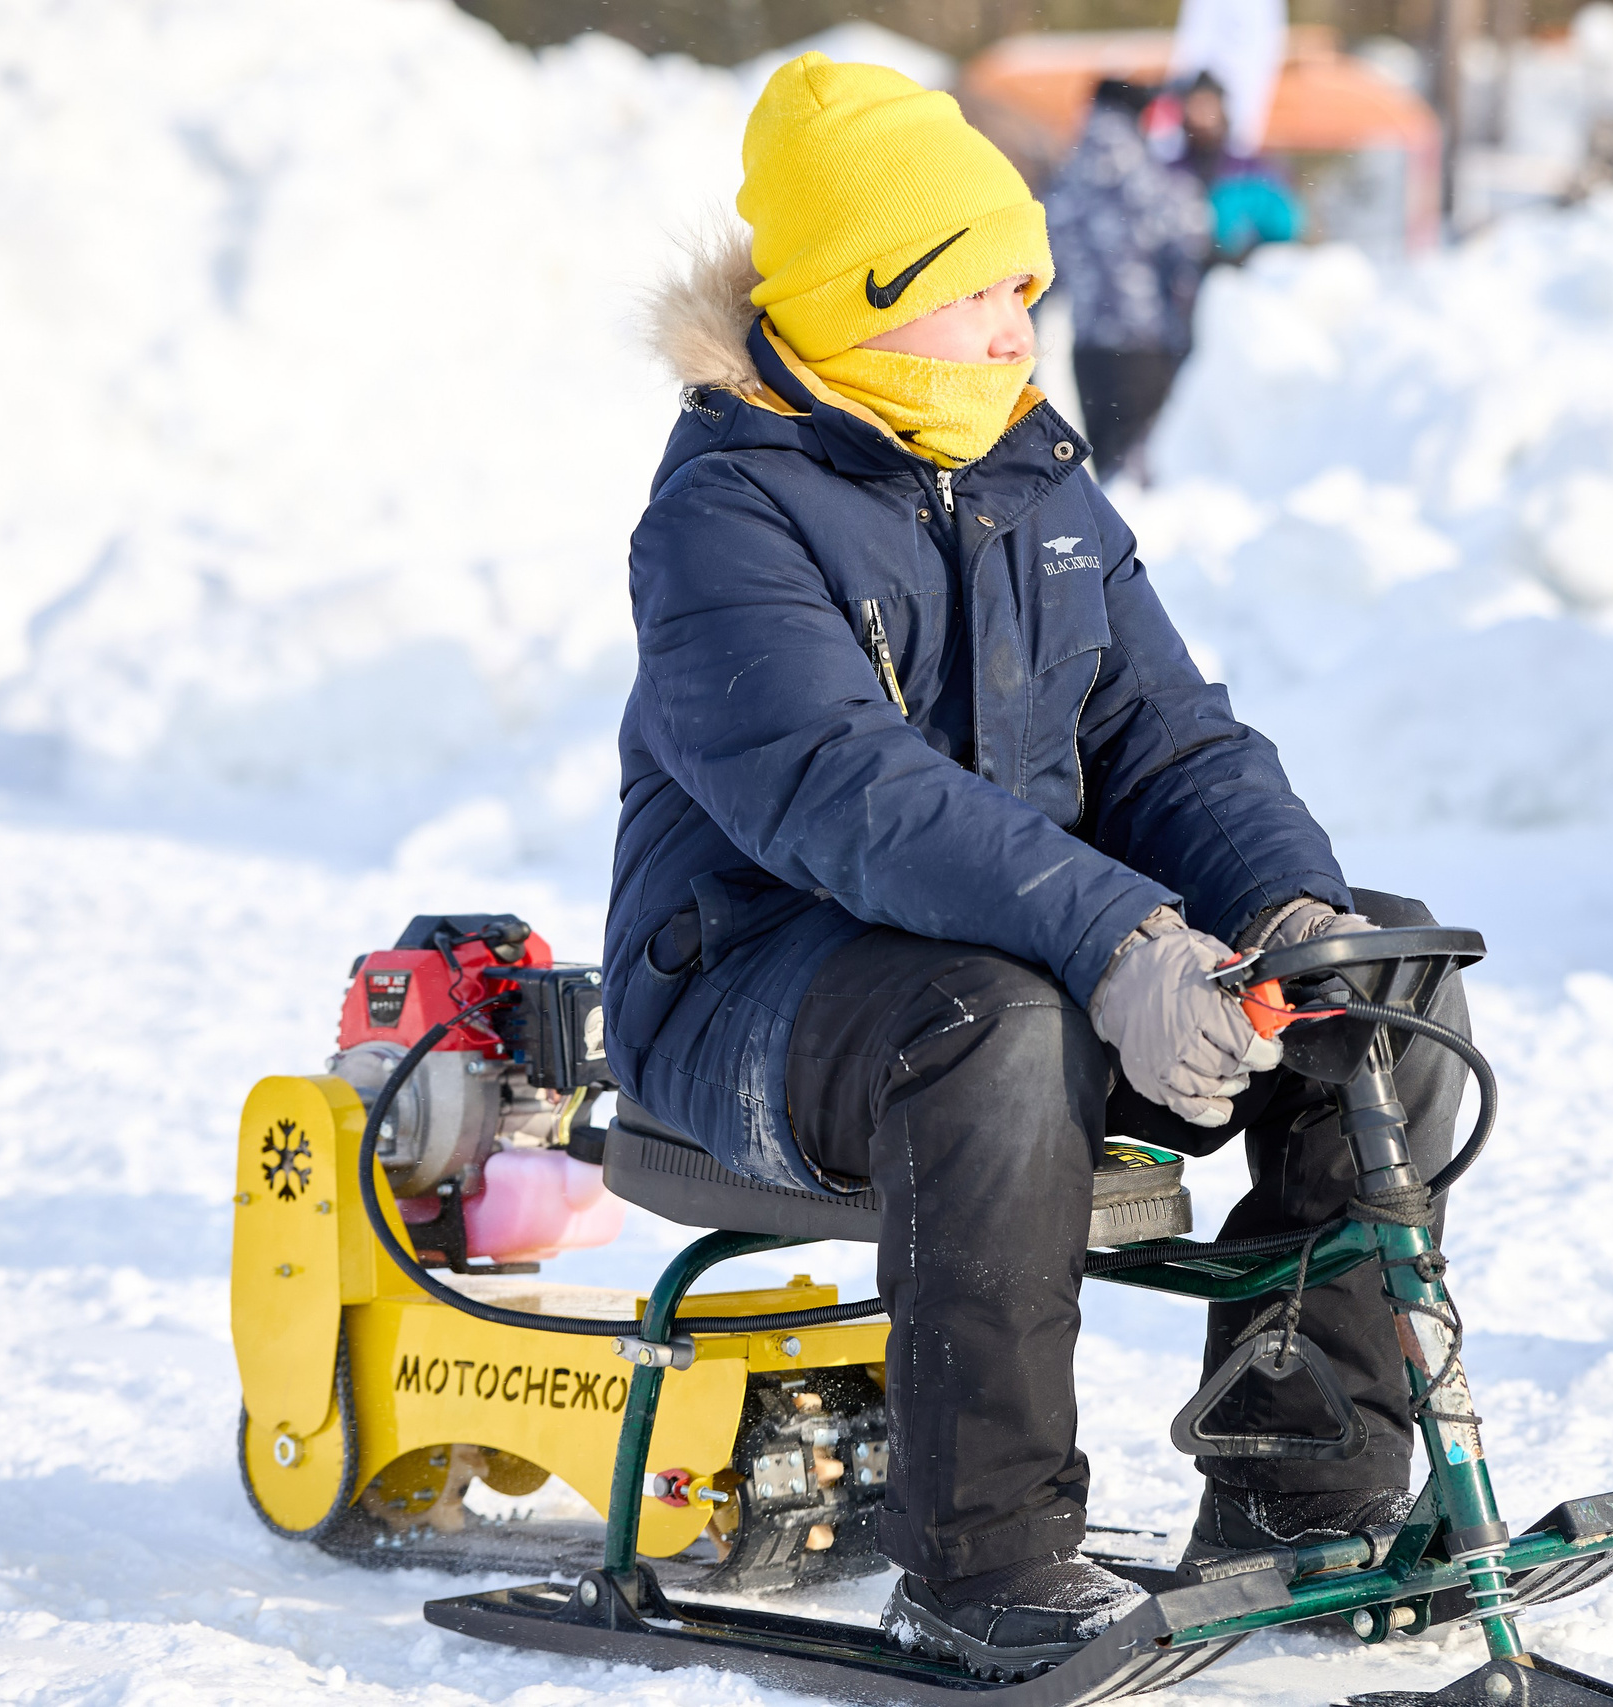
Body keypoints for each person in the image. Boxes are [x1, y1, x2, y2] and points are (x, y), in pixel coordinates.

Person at [606, 53, 1469, 1676]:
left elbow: (1164, 736)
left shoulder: (1031, 470)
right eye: (973, 290)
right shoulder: (726, 511)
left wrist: (1282, 910)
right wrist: (1120, 937)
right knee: (995, 1026)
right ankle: (981, 1561)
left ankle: (1302, 1487)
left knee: (1380, 978)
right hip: (749, 1007)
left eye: (1024, 283)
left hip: (1031, 962)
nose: (1020, 320)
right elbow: (840, 792)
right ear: (859, 304)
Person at [1042, 79, 1215, 484]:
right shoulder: (1153, 181)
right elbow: (1193, 250)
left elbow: (1042, 269)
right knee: (1146, 470)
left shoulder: (1064, 183)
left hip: (1088, 347)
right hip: (1146, 344)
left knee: (1108, 467)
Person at [1174, 70, 1304, 262]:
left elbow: (1286, 229)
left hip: (1243, 282)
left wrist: (1246, 253)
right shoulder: (1169, 174)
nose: (1202, 116)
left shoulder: (1254, 172)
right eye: (1195, 107)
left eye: (1208, 106)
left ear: (1223, 111)